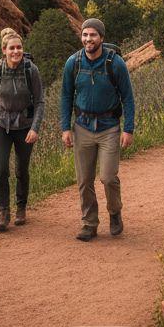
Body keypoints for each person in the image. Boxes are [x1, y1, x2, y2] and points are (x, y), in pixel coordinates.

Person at [60, 18, 135, 241]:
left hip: (109, 127)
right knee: (84, 180)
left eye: (93, 35)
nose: (88, 39)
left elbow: (128, 98)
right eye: (85, 35)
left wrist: (128, 129)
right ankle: (89, 223)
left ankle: (114, 212)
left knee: (108, 177)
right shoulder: (73, 63)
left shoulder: (115, 63)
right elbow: (65, 96)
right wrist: (65, 128)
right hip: (82, 126)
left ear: (101, 37)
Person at [0, 28, 44, 232]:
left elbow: (40, 101)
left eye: (19, 47)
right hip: (1, 125)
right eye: (12, 48)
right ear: (4, 50)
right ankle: (3, 211)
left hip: (25, 126)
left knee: (21, 169)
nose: (16, 51)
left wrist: (35, 128)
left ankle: (21, 207)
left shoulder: (31, 70)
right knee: (1, 170)